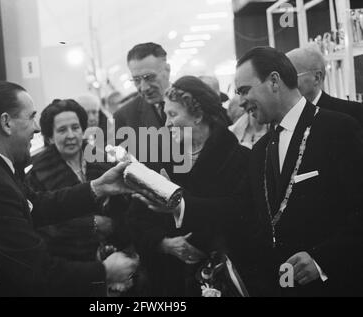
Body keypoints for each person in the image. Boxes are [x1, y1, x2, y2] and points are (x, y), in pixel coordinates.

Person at [0, 81, 138, 297]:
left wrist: (97, 188)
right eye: (31, 117)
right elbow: (37, 272)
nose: (38, 128)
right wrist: (105, 272)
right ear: (6, 123)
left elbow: (35, 206)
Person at [235, 46, 363, 296]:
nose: (240, 102)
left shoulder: (338, 129)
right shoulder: (260, 150)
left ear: (274, 81)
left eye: (244, 90)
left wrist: (321, 259)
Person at [128, 76, 255, 296]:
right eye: (165, 114)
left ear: (197, 115)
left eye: (173, 115)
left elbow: (240, 212)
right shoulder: (157, 159)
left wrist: (183, 207)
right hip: (169, 281)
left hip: (223, 276)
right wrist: (164, 243)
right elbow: (135, 218)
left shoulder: (238, 158)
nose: (167, 123)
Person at [26, 99, 130, 263]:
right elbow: (42, 226)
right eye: (62, 130)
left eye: (75, 127)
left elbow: (124, 209)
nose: (71, 135)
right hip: (70, 265)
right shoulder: (37, 175)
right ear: (51, 137)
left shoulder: (105, 161)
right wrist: (91, 224)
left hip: (118, 257)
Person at [114, 42, 170, 170]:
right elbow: (127, 169)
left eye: (149, 77)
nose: (144, 87)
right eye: (137, 80)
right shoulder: (124, 117)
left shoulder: (191, 104)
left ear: (167, 70)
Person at [287, 46, 363, 126]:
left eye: (290, 76)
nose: (285, 83)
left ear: (316, 78)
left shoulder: (352, 112)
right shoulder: (285, 117)